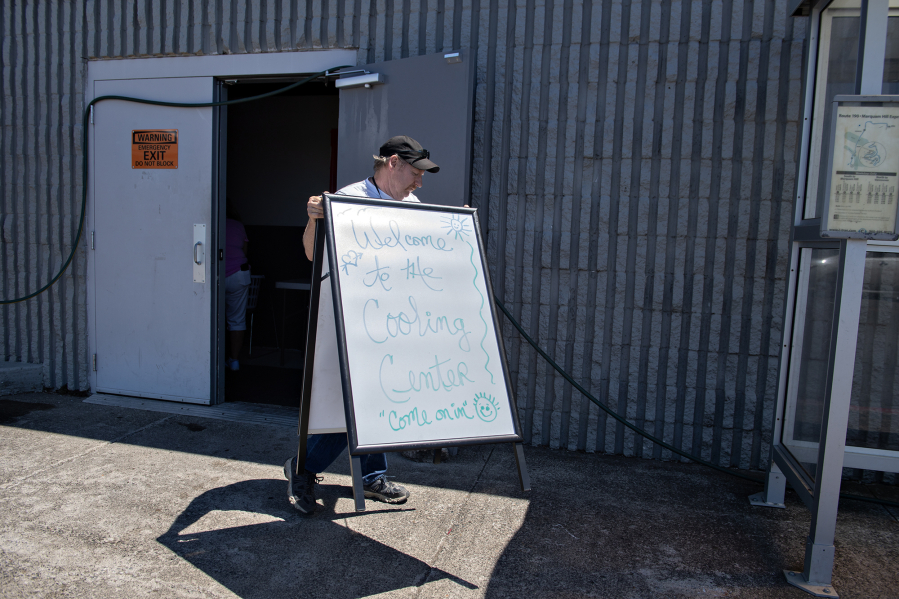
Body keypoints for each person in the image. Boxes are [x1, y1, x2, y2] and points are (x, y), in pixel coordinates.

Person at [285, 135, 440, 514]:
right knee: (355, 407)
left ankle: (371, 476)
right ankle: (303, 468)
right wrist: (313, 218)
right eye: (415, 173)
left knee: (384, 398)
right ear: (392, 163)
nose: (419, 182)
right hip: (353, 323)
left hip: (395, 322)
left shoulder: (413, 204)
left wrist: (454, 233)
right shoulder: (348, 200)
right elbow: (310, 251)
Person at [224, 202, 251, 371]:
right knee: (236, 319)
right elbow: (245, 250)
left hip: (214, 275)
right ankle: (234, 361)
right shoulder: (238, 225)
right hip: (238, 274)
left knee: (210, 318)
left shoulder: (210, 219)